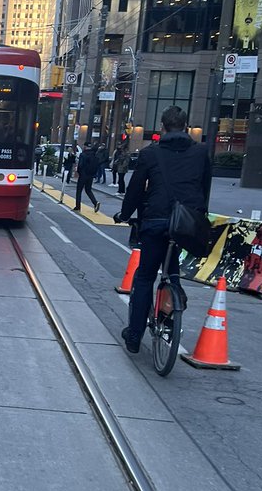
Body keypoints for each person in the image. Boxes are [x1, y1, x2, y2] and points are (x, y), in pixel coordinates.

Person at [113, 105, 211, 353]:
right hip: (186, 223)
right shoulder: (201, 153)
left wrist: (124, 215)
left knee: (145, 276)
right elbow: (204, 190)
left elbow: (135, 189)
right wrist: (199, 216)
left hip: (156, 221)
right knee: (172, 269)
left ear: (162, 128)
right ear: (186, 127)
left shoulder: (150, 154)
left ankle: (134, 335)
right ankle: (172, 304)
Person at [74, 142, 101, 212]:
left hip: (83, 174)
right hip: (91, 175)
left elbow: (80, 165)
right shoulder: (94, 154)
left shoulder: (83, 154)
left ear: (85, 146)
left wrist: (79, 172)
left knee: (79, 191)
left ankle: (78, 207)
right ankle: (95, 202)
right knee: (88, 190)